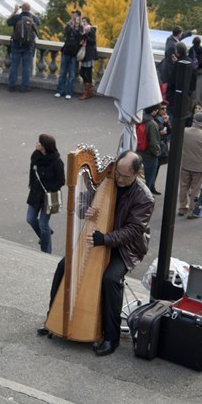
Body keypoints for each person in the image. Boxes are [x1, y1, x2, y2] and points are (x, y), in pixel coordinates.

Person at [37, 150, 155, 357]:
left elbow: (133, 231)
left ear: (136, 174)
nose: (118, 178)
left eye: (124, 176)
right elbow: (82, 201)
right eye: (117, 172)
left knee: (110, 279)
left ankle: (111, 337)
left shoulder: (144, 197)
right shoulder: (106, 181)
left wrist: (105, 239)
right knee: (64, 265)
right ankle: (52, 318)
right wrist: (87, 209)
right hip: (100, 238)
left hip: (125, 248)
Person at [26, 134, 65, 254]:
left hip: (48, 197)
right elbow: (32, 173)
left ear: (44, 146)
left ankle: (46, 251)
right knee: (30, 219)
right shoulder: (35, 156)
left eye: (39, 142)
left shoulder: (57, 162)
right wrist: (31, 185)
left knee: (43, 224)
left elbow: (61, 181)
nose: (36, 144)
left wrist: (48, 188)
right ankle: (46, 234)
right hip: (35, 193)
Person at [178, 112, 202, 219]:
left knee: (183, 186)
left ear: (193, 120)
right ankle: (192, 210)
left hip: (185, 164)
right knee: (195, 189)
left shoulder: (184, 131)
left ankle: (182, 208)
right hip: (198, 166)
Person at [7, 2, 39, 93]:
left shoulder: (17, 17)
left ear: (22, 9)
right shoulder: (32, 18)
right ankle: (24, 87)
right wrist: (30, 12)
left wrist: (15, 11)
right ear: (29, 9)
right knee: (26, 67)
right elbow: (39, 22)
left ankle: (11, 86)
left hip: (16, 45)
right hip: (28, 46)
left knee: (14, 66)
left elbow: (8, 22)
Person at [54, 10, 84, 100]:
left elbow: (81, 34)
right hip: (66, 52)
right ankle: (60, 91)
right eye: (73, 16)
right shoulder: (69, 26)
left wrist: (79, 23)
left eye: (76, 16)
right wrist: (71, 23)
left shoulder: (81, 28)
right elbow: (65, 30)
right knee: (62, 73)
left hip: (74, 54)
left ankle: (68, 92)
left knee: (71, 75)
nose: (74, 18)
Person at [165, 42, 195, 124]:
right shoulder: (190, 62)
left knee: (171, 115)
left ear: (177, 52)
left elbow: (173, 79)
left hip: (174, 95)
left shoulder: (178, 64)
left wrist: (175, 64)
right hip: (186, 95)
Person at [136, 104, 161, 193]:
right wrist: (157, 153)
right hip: (149, 156)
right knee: (147, 181)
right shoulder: (152, 124)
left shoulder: (137, 120)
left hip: (138, 154)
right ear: (154, 111)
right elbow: (154, 143)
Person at [152, 103, 171, 195]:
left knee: (157, 167)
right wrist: (160, 133)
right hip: (157, 145)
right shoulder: (154, 120)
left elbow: (170, 131)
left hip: (162, 146)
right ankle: (151, 186)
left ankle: (152, 186)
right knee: (153, 168)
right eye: (162, 109)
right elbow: (152, 135)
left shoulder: (164, 118)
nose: (164, 111)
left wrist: (167, 122)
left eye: (165, 109)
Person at [79, 16, 98, 100]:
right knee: (82, 72)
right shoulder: (83, 30)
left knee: (88, 73)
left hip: (89, 54)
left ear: (88, 22)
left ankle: (88, 92)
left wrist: (86, 35)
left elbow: (93, 41)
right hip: (85, 53)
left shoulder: (91, 29)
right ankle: (88, 90)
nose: (83, 23)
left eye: (85, 22)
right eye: (82, 22)